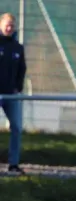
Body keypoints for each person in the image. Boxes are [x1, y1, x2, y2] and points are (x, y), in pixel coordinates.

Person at [0, 13, 26, 175]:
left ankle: (13, 163)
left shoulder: (18, 47)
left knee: (16, 127)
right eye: (7, 25)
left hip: (11, 94)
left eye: (12, 25)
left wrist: (18, 87)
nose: (9, 28)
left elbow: (22, 69)